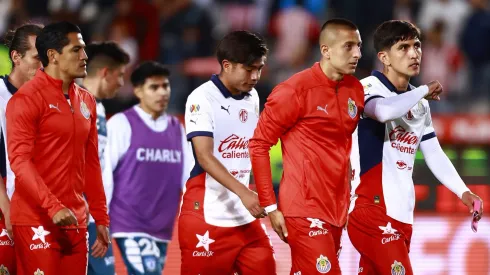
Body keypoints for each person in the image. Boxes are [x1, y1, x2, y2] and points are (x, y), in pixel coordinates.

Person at [348, 20, 484, 275]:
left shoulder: (420, 104)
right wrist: (422, 90)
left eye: (417, 45)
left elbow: (433, 152)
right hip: (371, 211)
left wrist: (463, 192)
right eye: (404, 47)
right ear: (384, 57)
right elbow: (384, 111)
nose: (414, 53)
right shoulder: (366, 88)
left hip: (402, 216)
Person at [249, 18, 364, 275]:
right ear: (326, 50)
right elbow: (258, 145)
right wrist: (270, 206)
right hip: (303, 208)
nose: (357, 54)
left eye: (359, 46)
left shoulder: (355, 90)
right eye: (348, 46)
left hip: (337, 211)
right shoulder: (294, 91)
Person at [6, 21, 110, 275]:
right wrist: (53, 207)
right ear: (53, 55)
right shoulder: (26, 99)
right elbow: (19, 161)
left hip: (76, 223)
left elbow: (91, 162)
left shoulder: (86, 100)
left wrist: (101, 217)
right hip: (36, 221)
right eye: (76, 50)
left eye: (83, 49)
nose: (85, 56)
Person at [179, 30, 275, 275]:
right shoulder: (201, 99)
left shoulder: (252, 96)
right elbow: (204, 156)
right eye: (248, 69)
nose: (255, 76)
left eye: (259, 69)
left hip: (245, 218)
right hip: (207, 215)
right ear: (227, 65)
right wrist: (245, 192)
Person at [103, 61, 191, 274]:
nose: (162, 92)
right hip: (129, 223)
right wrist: (100, 218)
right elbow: (105, 172)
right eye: (154, 87)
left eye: (166, 86)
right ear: (138, 91)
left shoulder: (176, 128)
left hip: (162, 226)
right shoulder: (121, 123)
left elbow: (188, 177)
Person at [83, 41, 130, 275]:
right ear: (105, 73)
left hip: (96, 217)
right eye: (120, 75)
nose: (122, 83)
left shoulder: (98, 109)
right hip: (78, 216)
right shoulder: (74, 103)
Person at [0, 23, 43, 274]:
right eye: (37, 58)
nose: (44, 66)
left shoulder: (49, 96)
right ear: (16, 57)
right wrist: (7, 208)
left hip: (36, 207)